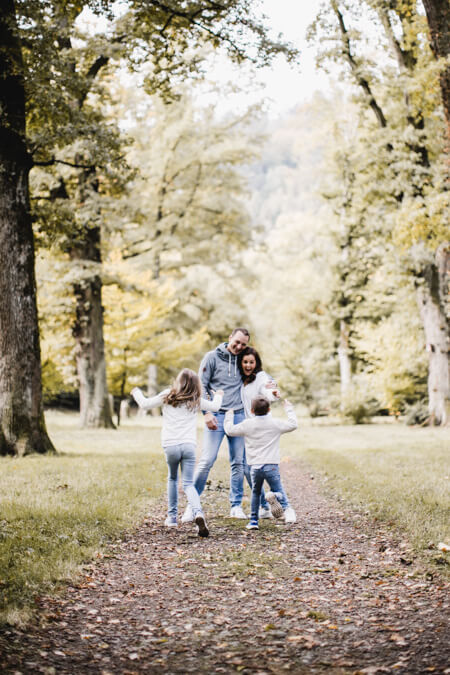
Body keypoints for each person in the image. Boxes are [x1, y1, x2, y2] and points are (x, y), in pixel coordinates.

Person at [131, 369, 223, 537]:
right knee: (188, 484)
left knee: (173, 478)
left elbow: (144, 404)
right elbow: (216, 406)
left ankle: (172, 517)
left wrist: (136, 392)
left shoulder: (168, 395)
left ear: (178, 382)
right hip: (188, 446)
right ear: (196, 385)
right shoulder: (195, 400)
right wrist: (219, 394)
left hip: (170, 445)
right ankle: (198, 513)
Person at [182, 328, 258, 522]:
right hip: (216, 415)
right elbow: (201, 386)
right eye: (237, 342)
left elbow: (258, 374)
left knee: (238, 462)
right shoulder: (211, 357)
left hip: (238, 415)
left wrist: (271, 387)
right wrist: (206, 413)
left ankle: (236, 506)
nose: (239, 346)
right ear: (230, 338)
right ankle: (193, 505)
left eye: (243, 344)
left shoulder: (243, 358)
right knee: (207, 460)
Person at [224, 395, 298, 530]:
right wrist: (289, 409)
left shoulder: (248, 424)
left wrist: (229, 415)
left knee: (256, 492)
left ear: (252, 411)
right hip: (271, 465)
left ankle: (253, 521)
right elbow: (293, 425)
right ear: (269, 409)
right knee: (278, 489)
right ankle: (284, 506)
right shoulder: (275, 423)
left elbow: (230, 430)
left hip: (255, 467)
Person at [238, 346, 278, 518]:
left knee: (262, 467)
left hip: (261, 427)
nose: (248, 365)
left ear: (257, 363)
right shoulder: (240, 379)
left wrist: (273, 393)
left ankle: (280, 502)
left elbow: (267, 390)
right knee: (249, 469)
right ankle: (265, 504)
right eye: (245, 362)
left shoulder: (261, 377)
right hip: (249, 427)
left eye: (251, 362)